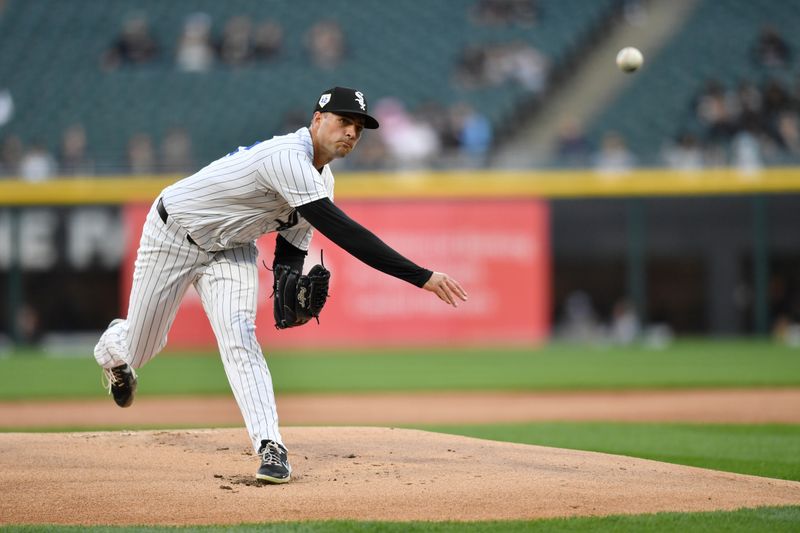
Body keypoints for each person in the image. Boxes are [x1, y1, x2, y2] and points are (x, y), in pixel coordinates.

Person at [93, 87, 468, 484]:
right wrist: (421, 276)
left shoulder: (323, 180)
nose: (352, 133)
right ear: (318, 120)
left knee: (240, 336)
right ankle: (114, 351)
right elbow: (344, 232)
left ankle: (270, 446)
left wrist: (290, 299)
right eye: (344, 122)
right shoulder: (288, 157)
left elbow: (290, 250)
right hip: (173, 233)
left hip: (232, 248)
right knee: (142, 347)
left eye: (358, 128)